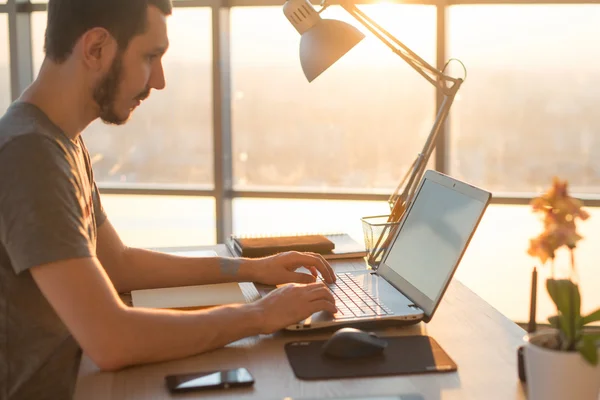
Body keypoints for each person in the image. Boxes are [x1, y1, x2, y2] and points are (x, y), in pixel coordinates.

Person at [0, 1, 338, 399]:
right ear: (95, 49)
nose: (159, 80)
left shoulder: (59, 140)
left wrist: (252, 268)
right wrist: (261, 315)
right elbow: (112, 340)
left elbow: (119, 265)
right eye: (150, 56)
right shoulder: (29, 153)